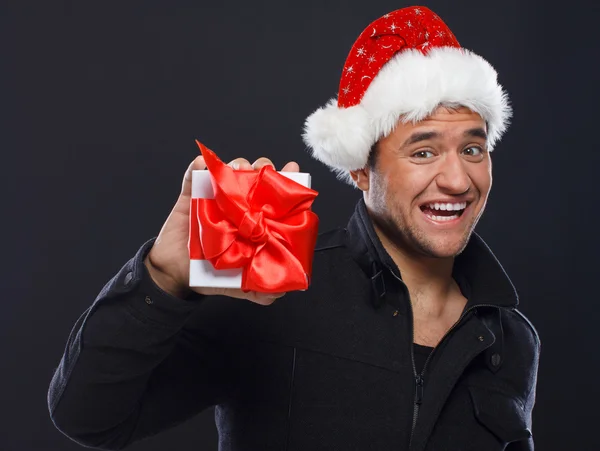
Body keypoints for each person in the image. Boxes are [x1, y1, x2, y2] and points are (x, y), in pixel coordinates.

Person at [48, 6, 539, 451]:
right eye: (424, 151)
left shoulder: (511, 338)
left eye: (473, 149)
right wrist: (162, 277)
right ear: (361, 169)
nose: (457, 180)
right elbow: (89, 418)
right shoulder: (273, 290)